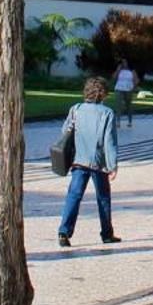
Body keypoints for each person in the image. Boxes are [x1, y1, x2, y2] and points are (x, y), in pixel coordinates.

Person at [55, 77, 120, 247]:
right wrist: (113, 165)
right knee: (103, 197)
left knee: (74, 196)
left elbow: (65, 132)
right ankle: (107, 233)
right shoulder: (107, 113)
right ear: (102, 94)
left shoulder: (75, 109)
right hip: (98, 162)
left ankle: (64, 231)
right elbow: (109, 141)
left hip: (78, 160)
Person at [112, 60, 136, 127]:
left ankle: (129, 121)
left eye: (125, 62)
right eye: (122, 63)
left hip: (128, 90)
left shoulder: (132, 71)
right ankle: (118, 121)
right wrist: (118, 70)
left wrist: (133, 88)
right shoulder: (119, 71)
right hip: (119, 89)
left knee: (128, 106)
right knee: (118, 105)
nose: (124, 64)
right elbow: (114, 78)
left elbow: (136, 80)